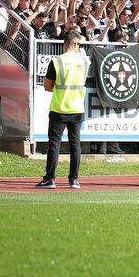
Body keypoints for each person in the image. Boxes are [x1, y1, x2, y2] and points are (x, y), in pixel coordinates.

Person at [36, 30, 90, 189]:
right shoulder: (85, 61)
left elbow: (47, 86)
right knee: (75, 144)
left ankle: (50, 179)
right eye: (79, 44)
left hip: (59, 107)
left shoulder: (57, 61)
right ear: (74, 44)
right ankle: (74, 179)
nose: (79, 46)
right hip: (77, 107)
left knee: (54, 143)